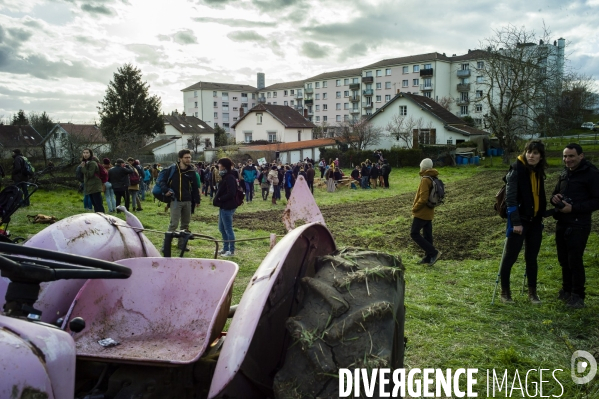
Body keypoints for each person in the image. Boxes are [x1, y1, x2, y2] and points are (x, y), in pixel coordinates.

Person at [550, 143, 599, 309]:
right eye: (565, 156)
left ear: (581, 156)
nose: (567, 159)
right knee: (563, 260)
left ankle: (578, 296)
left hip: (579, 224)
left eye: (571, 156)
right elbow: (555, 193)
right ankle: (567, 290)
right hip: (562, 222)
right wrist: (554, 199)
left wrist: (574, 208)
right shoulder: (565, 173)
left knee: (574, 260)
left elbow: (597, 200)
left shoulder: (591, 174)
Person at [499, 141, 548, 304]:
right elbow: (510, 199)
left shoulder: (538, 172)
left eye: (535, 153)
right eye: (529, 152)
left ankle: (532, 293)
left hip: (534, 222)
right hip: (519, 222)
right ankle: (505, 292)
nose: (531, 156)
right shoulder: (516, 171)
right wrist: (516, 222)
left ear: (541, 156)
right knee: (510, 257)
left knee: (532, 258)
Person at [158, 150, 200, 253]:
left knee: (185, 224)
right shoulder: (172, 170)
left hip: (188, 201)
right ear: (180, 158)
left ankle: (182, 245)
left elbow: (195, 187)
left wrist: (197, 200)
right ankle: (166, 245)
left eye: (189, 157)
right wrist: (166, 190)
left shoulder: (191, 172)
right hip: (175, 200)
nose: (188, 159)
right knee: (173, 224)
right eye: (186, 157)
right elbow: (162, 181)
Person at [410, 158, 441, 266]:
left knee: (414, 233)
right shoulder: (433, 177)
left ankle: (434, 252)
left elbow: (423, 198)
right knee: (427, 235)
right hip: (429, 210)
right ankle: (428, 257)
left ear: (422, 167)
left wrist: (415, 209)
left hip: (422, 212)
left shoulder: (425, 179)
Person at [213, 157, 238, 257]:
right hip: (223, 206)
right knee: (222, 228)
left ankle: (231, 251)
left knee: (228, 229)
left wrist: (220, 199)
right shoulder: (226, 176)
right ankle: (225, 248)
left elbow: (231, 193)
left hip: (228, 206)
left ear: (224, 166)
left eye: (219, 164)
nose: (218, 166)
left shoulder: (230, 177)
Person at [80, 148, 105, 213]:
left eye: (87, 153)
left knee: (98, 204)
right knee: (94, 204)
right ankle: (98, 218)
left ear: (90, 154)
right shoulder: (86, 162)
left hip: (95, 186)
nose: (85, 154)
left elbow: (89, 174)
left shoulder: (93, 163)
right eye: (84, 153)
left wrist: (83, 168)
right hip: (90, 186)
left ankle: (103, 218)